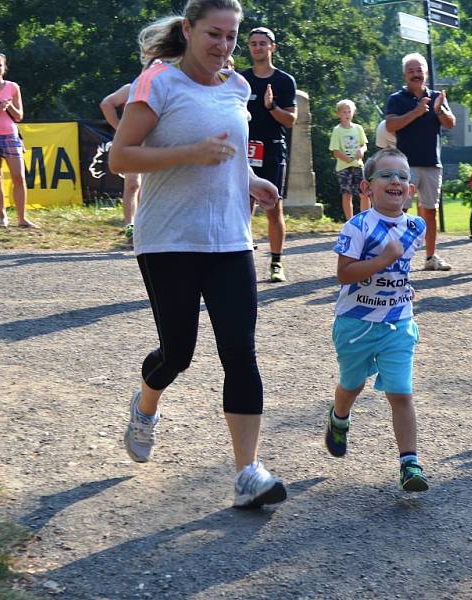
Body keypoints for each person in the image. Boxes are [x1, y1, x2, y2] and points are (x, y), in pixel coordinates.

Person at [108, 0, 287, 508]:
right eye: (214, 34)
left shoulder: (238, 86)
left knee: (240, 352)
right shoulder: (157, 83)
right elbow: (122, 159)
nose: (224, 46)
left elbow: (224, 156)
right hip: (169, 241)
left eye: (231, 36)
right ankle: (146, 406)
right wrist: (189, 153)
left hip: (230, 239)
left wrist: (252, 182)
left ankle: (247, 473)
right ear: (187, 30)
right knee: (178, 354)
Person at [326, 147, 429, 492]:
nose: (395, 181)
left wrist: (403, 284)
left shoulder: (416, 226)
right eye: (386, 175)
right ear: (367, 188)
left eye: (402, 176)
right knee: (351, 385)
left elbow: (402, 267)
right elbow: (345, 274)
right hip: (355, 323)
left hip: (398, 322)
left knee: (401, 393)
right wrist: (383, 260)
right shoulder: (357, 227)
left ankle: (409, 463)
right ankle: (339, 417)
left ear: (411, 190)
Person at [385, 52, 456, 271]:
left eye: (419, 70)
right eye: (411, 71)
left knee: (430, 211)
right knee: (400, 211)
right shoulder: (396, 99)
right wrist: (416, 112)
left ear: (425, 73)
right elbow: (391, 126)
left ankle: (430, 257)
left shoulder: (437, 97)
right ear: (405, 75)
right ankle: (396, 257)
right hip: (405, 165)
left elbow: (451, 123)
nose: (416, 75)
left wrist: (439, 109)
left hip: (432, 163)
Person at [242, 26, 297, 282]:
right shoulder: (240, 80)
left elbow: (290, 120)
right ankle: (241, 261)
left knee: (273, 208)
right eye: (253, 43)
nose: (257, 48)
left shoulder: (284, 81)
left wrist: (271, 106)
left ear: (272, 47)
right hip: (243, 151)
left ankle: (276, 263)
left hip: (272, 150)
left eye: (263, 43)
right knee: (242, 208)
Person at [0, 53, 37, 228]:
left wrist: (8, 105)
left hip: (11, 136)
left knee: (18, 177)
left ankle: (21, 218)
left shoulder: (13, 87)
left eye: (0, 65)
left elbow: (19, 117)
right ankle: (2, 217)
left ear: (5, 69)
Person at [100, 83, 141, 241]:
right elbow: (106, 103)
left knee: (150, 188)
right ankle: (130, 227)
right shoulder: (133, 86)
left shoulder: (168, 85)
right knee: (133, 184)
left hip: (157, 141)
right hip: (134, 141)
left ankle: (145, 226)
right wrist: (120, 128)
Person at [329, 99, 368, 220]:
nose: (347, 115)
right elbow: (335, 151)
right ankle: (350, 221)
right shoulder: (337, 130)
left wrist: (361, 151)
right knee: (347, 194)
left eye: (349, 112)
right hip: (343, 167)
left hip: (358, 165)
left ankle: (366, 220)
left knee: (364, 193)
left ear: (353, 113)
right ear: (338, 114)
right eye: (344, 112)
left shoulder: (358, 128)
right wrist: (346, 158)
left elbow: (364, 144)